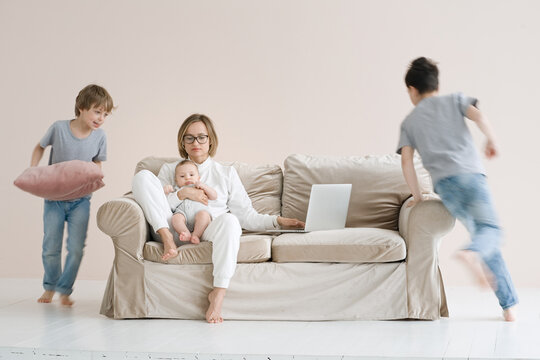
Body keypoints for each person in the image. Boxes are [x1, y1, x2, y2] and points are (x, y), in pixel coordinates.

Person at [131, 113, 304, 323]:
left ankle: (218, 294)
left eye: (202, 137)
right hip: (173, 226)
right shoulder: (169, 170)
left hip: (207, 229)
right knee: (142, 177)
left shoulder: (226, 173)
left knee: (230, 221)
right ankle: (167, 239)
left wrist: (278, 221)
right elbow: (155, 204)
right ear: (182, 142)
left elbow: (247, 217)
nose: (196, 143)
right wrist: (182, 194)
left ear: (210, 140)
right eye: (190, 138)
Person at [397, 57, 518, 321]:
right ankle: (470, 253)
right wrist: (491, 139)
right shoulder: (454, 100)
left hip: (445, 187)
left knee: (484, 238)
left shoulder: (410, 122)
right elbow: (479, 116)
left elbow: (406, 161)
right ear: (436, 85)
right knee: (491, 231)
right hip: (471, 177)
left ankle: (509, 308)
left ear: (412, 90)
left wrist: (418, 196)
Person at [30, 84, 114, 306]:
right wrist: (33, 169)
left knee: (76, 248)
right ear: (82, 107)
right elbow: (39, 147)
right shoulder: (58, 128)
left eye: (105, 114)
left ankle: (64, 289)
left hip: (81, 201)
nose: (101, 118)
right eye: (97, 111)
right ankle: (50, 286)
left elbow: (97, 162)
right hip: (54, 200)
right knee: (51, 246)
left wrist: (96, 175)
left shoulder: (100, 136)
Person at [164, 159, 217, 244]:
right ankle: (185, 232)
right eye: (182, 176)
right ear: (176, 181)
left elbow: (214, 196)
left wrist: (204, 187)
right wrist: (166, 190)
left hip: (199, 212)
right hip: (182, 213)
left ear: (198, 178)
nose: (187, 177)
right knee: (175, 218)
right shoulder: (177, 190)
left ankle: (196, 235)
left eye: (191, 175)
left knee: (204, 215)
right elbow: (165, 201)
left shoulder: (201, 187)